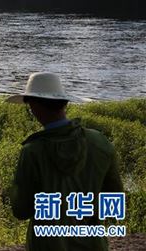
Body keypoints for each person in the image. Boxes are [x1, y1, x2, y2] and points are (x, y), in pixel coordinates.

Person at [7, 72, 123, 251]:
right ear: (65, 103)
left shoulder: (32, 151)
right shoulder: (100, 142)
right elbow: (114, 199)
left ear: (33, 106)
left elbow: (21, 210)